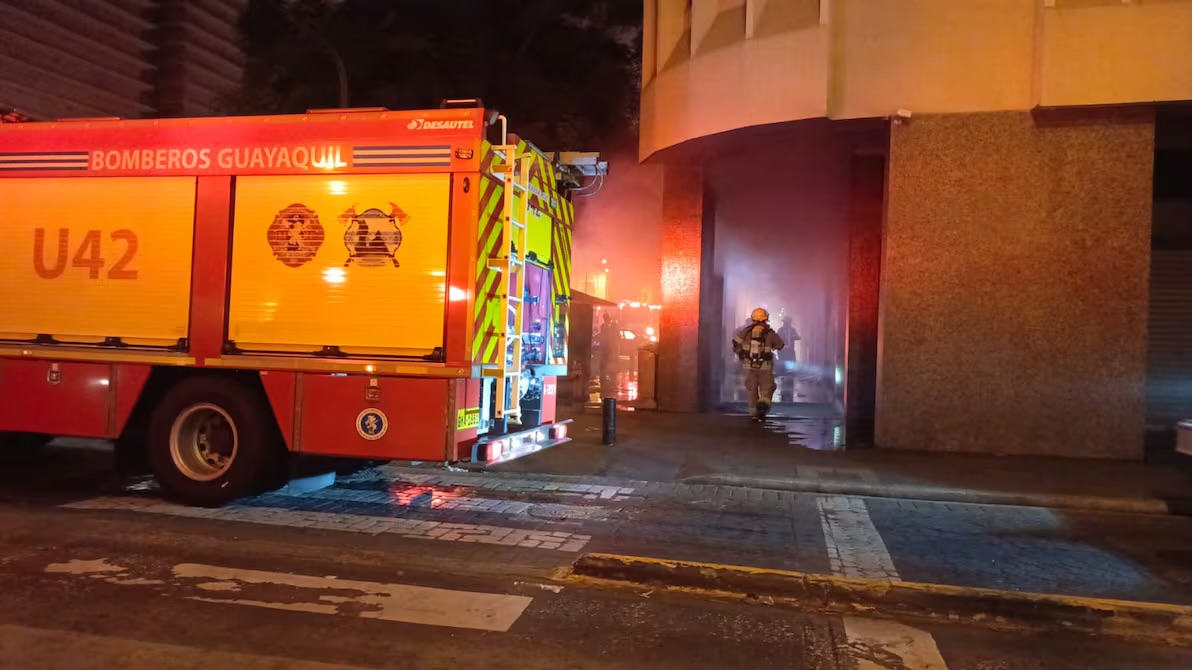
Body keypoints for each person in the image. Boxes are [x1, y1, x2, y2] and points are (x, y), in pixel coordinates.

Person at [732, 307, 785, 420]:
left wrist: (741, 355)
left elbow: (736, 343)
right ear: (765, 319)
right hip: (765, 367)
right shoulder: (770, 333)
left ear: (753, 319)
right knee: (767, 388)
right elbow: (780, 345)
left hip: (748, 366)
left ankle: (753, 414)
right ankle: (762, 408)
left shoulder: (745, 332)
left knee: (751, 389)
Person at [597, 312, 621, 398]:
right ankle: (605, 376)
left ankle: (610, 377)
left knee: (610, 362)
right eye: (604, 318)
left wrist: (614, 346)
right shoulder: (604, 326)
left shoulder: (612, 326)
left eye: (606, 318)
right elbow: (602, 336)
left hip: (610, 348)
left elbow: (616, 337)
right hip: (605, 347)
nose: (605, 320)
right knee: (605, 362)